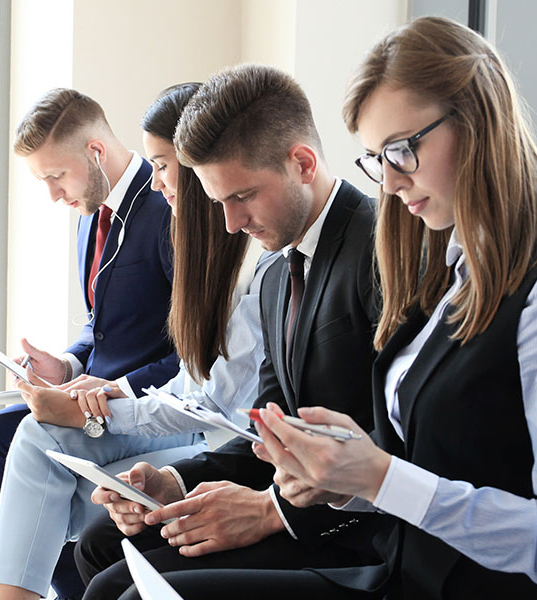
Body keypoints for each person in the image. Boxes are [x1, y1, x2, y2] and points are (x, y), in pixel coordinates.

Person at [242, 16, 537, 599]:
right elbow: (422, 474)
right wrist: (346, 474)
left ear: (479, 123)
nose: (389, 183)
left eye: (402, 150)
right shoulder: (449, 272)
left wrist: (381, 475)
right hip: (401, 574)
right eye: (376, 158)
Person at [74, 64, 389, 600]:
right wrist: (173, 482)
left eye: (242, 196)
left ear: (303, 163)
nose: (229, 223)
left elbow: (399, 446)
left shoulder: (381, 256)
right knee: (100, 543)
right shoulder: (274, 276)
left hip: (359, 537)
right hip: (293, 502)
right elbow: (264, 434)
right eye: (218, 200)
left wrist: (273, 513)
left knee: (118, 592)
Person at [0, 83, 273, 600]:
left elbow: (199, 385)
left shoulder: (200, 239)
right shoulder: (99, 217)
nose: (158, 184)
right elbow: (103, 327)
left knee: (32, 444)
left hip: (183, 423)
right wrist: (69, 370)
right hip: (149, 405)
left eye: (162, 165)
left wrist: (103, 404)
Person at [0, 88, 181, 563]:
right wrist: (64, 365)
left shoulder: (167, 205)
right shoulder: (90, 212)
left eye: (55, 176)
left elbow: (190, 352)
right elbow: (101, 327)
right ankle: (53, 574)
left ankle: (13, 583)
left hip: (141, 404)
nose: (52, 195)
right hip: (86, 393)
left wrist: (113, 390)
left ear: (95, 151)